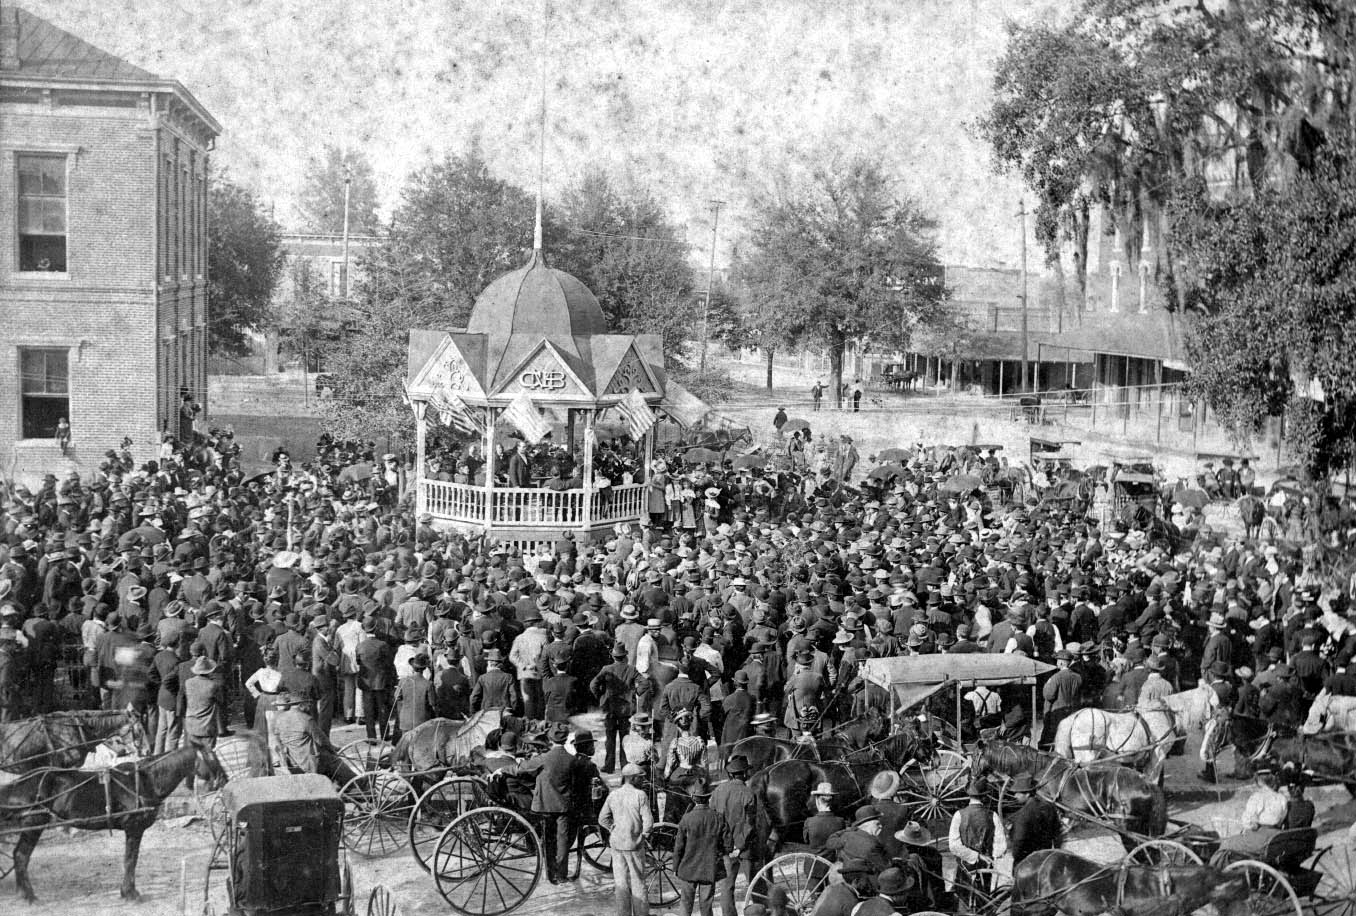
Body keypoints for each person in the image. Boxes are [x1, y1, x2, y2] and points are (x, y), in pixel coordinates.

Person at [519, 723, 579, 884]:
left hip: (545, 805)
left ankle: (550, 874)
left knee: (548, 840)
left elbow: (522, 768)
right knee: (563, 841)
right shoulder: (572, 760)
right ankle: (561, 875)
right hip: (564, 806)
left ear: (550, 739)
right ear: (566, 739)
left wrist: (503, 770)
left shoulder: (544, 758)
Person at [597, 762, 654, 916]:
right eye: (640, 778)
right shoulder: (640, 795)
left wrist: (612, 828)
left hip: (617, 844)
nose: (642, 781)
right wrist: (644, 836)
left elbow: (602, 818)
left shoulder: (613, 794)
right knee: (638, 882)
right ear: (633, 778)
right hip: (634, 845)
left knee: (620, 883)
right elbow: (648, 822)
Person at [711, 755, 761, 916]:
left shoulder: (718, 791)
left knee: (727, 886)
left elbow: (713, 816)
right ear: (745, 774)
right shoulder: (748, 793)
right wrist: (739, 846)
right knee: (755, 882)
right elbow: (749, 824)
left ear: (731, 774)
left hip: (724, 846)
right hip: (745, 847)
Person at [672, 778, 730, 916]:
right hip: (709, 868)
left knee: (686, 904)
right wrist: (720, 852)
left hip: (688, 869)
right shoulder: (718, 817)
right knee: (706, 904)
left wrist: (675, 867)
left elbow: (679, 847)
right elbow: (728, 844)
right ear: (708, 798)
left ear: (693, 798)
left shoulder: (686, 819)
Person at [948, 780, 1008, 908]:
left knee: (963, 900)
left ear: (969, 796)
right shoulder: (993, 816)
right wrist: (990, 856)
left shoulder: (959, 815)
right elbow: (1001, 847)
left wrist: (973, 856)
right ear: (985, 796)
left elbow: (954, 846)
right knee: (983, 900)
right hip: (985, 867)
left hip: (964, 866)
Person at [1217, 768, 1289, 857]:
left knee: (1226, 843)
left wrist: (1252, 825)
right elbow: (1281, 819)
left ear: (1259, 781)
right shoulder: (1282, 798)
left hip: (1259, 839)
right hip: (1275, 837)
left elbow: (1248, 822)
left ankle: (1215, 868)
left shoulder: (1257, 797)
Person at [1006, 773, 1062, 865]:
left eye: (1018, 793)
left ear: (1027, 794)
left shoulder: (1023, 815)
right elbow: (1057, 832)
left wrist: (1017, 858)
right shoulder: (1049, 807)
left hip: (1028, 862)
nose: (1015, 796)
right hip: (1046, 858)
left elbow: (1018, 841)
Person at [805, 782, 846, 856]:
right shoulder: (841, 821)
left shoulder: (809, 822)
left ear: (817, 800)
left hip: (814, 864)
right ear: (832, 801)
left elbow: (807, 841)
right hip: (834, 863)